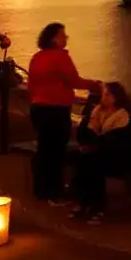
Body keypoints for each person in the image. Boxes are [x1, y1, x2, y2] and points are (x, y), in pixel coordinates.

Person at [28, 23, 100, 204]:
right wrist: (95, 85)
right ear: (54, 38)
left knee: (44, 150)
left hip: (38, 108)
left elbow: (31, 85)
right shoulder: (59, 57)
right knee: (56, 152)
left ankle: (41, 191)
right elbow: (73, 80)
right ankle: (55, 193)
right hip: (55, 109)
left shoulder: (37, 57)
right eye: (63, 35)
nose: (66, 38)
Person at [70, 82, 131, 224]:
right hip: (102, 152)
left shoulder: (123, 116)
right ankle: (83, 202)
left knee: (94, 162)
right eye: (103, 95)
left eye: (108, 95)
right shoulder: (98, 112)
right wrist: (86, 121)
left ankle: (97, 208)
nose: (104, 98)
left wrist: (93, 146)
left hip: (123, 157)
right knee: (82, 157)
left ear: (116, 97)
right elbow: (86, 135)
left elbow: (115, 142)